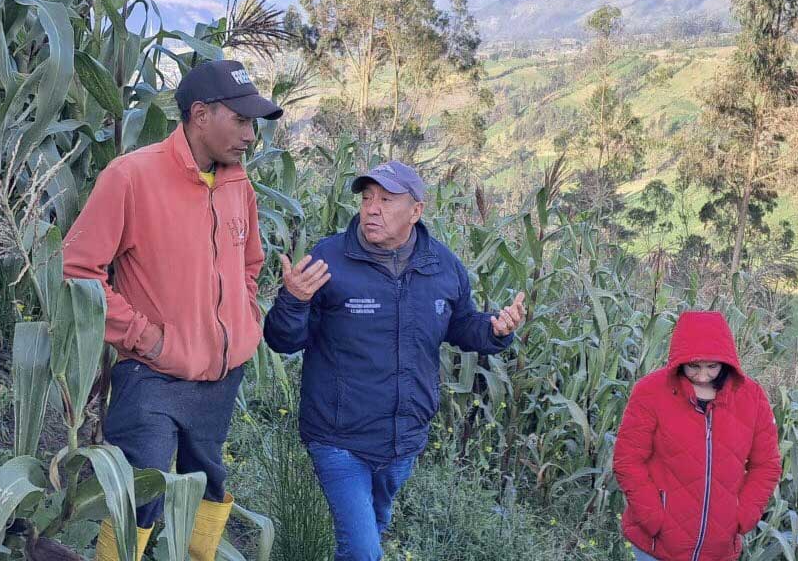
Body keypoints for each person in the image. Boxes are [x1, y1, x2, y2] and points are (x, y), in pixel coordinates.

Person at [63, 59, 283, 561]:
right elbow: (77, 270)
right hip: (153, 376)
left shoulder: (238, 184)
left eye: (253, 123)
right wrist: (146, 338)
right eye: (241, 120)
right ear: (200, 115)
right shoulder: (131, 176)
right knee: (140, 494)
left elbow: (250, 263)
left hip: (221, 375)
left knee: (209, 483)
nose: (250, 136)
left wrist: (243, 320)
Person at [264, 160, 527, 561]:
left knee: (373, 527)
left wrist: (495, 330)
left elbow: (461, 325)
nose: (372, 209)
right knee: (363, 550)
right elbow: (283, 340)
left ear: (415, 211)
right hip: (338, 436)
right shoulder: (329, 260)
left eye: (386, 200)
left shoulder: (443, 266)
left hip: (404, 439)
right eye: (367, 198)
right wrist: (293, 301)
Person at [613, 310, 782, 561]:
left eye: (712, 366)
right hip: (655, 547)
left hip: (718, 549)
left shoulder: (752, 398)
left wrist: (743, 515)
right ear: (679, 359)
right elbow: (627, 460)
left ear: (726, 361)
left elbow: (766, 465)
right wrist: (653, 517)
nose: (702, 376)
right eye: (693, 366)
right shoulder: (650, 392)